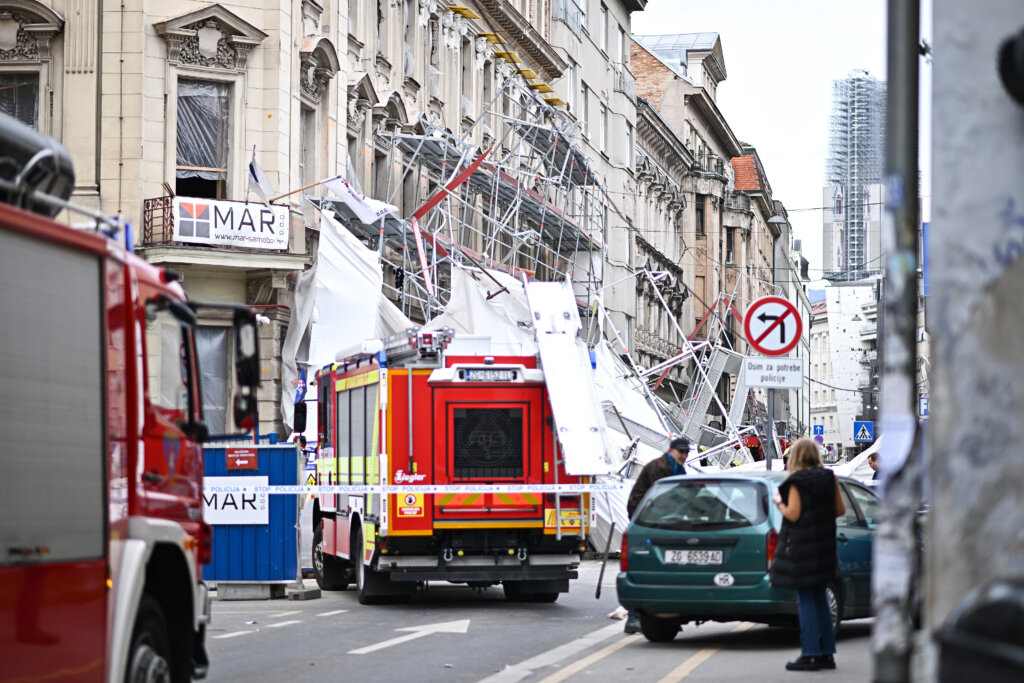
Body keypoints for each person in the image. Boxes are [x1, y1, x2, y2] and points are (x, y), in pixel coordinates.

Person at [769, 438, 846, 672]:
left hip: (803, 550)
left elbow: (793, 514)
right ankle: (826, 654)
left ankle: (810, 653)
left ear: (796, 456)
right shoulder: (829, 477)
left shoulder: (796, 482)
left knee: (806, 602)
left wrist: (779, 502)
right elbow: (840, 510)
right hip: (825, 548)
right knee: (821, 599)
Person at [622, 436, 690, 634]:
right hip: (644, 519)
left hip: (662, 520)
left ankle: (667, 614)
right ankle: (635, 617)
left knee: (667, 571)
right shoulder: (659, 468)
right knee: (647, 568)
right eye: (681, 452)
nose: (684, 456)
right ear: (671, 450)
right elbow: (667, 499)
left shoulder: (678, 468)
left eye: (686, 453)